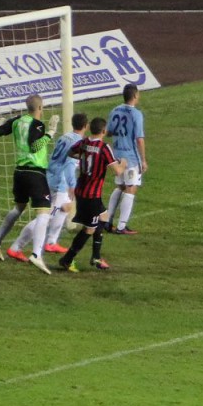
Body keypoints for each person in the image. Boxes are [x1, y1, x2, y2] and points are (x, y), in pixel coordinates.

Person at [0, 95, 59, 274]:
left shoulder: (17, 121)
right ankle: (36, 254)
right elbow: (35, 146)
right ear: (40, 107)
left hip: (19, 172)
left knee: (19, 207)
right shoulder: (37, 124)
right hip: (34, 173)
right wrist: (50, 132)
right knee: (44, 211)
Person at [59, 117, 126, 272]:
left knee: (103, 217)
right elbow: (117, 171)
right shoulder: (103, 148)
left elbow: (70, 152)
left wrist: (84, 158)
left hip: (81, 190)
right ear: (104, 131)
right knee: (89, 229)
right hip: (91, 196)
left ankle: (96, 257)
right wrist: (123, 163)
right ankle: (67, 259)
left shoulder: (83, 143)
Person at [43, 112, 88, 255]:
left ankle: (51, 242)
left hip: (51, 174)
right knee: (47, 216)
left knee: (66, 207)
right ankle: (18, 245)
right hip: (60, 181)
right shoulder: (78, 143)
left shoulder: (65, 136)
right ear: (85, 126)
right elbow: (69, 165)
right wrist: (72, 185)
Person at [105, 84, 146, 235]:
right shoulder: (136, 114)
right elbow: (139, 139)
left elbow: (108, 132)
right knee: (131, 188)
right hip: (130, 157)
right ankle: (121, 227)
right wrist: (143, 160)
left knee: (121, 187)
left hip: (117, 155)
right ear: (134, 96)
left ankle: (107, 222)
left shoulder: (115, 110)